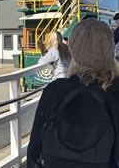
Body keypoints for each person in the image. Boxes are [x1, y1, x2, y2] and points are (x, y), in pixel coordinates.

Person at [27, 18, 119, 168]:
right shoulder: (115, 90)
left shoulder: (54, 90)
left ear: (74, 51)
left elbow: (34, 149)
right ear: (110, 50)